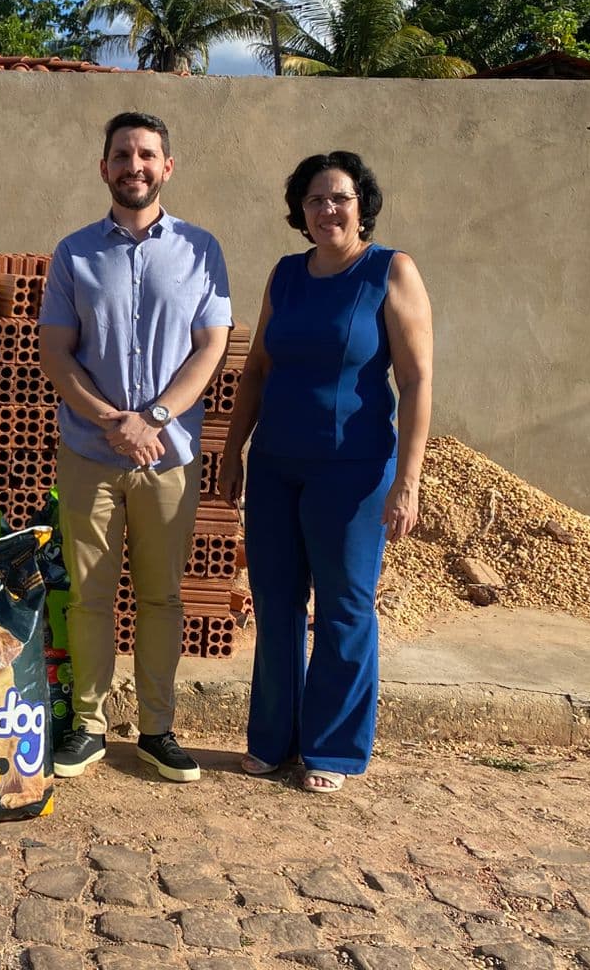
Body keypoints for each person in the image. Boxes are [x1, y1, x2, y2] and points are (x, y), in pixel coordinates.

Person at [220, 151, 433, 793]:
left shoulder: (390, 271)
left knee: (344, 608)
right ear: (300, 212)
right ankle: (273, 740)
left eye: (339, 197)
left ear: (361, 205)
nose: (327, 209)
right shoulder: (284, 276)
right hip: (278, 466)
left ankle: (333, 749)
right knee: (276, 605)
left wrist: (409, 479)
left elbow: (418, 379)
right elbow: (256, 369)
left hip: (354, 471)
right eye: (315, 200)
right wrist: (233, 453)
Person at [39, 111, 232, 783]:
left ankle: (156, 728)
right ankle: (88, 726)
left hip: (169, 456)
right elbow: (57, 353)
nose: (134, 165)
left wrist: (152, 418)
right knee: (89, 596)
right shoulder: (74, 253)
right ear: (104, 168)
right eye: (122, 154)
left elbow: (212, 348)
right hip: (91, 454)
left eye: (146, 154)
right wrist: (112, 421)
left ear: (167, 167)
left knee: (161, 597)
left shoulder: (203, 250)